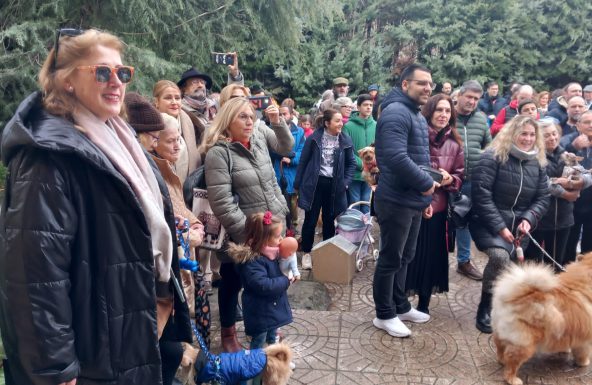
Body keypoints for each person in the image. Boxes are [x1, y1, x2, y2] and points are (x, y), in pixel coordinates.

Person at [0, 28, 192, 384]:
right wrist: (56, 370)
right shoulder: (47, 157)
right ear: (67, 81)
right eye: (102, 72)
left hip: (134, 318)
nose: (116, 82)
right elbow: (33, 276)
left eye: (123, 72)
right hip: (93, 346)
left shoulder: (117, 137)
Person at [202, 97, 293, 352]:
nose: (249, 121)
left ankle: (270, 330)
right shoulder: (219, 153)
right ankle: (229, 334)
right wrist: (250, 237)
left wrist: (281, 211)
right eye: (242, 116)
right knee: (233, 283)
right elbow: (222, 203)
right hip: (243, 237)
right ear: (228, 120)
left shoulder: (259, 141)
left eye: (251, 116)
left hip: (270, 227)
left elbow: (272, 178)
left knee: (269, 280)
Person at [371, 63, 438, 338]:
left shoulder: (414, 114)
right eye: (422, 83)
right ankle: (384, 314)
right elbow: (396, 158)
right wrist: (425, 185)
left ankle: (399, 304)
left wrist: (429, 190)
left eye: (430, 83)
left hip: (412, 201)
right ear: (405, 85)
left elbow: (417, 157)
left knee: (405, 256)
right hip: (396, 200)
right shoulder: (397, 113)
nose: (428, 88)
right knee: (390, 258)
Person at [470, 115, 550, 333]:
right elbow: (481, 195)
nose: (527, 138)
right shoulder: (493, 156)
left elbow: (543, 197)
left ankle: (506, 307)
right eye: (523, 133)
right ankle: (485, 307)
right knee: (499, 257)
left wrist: (528, 219)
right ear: (512, 133)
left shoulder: (538, 161)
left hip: (519, 227)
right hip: (488, 221)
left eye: (532, 134)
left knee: (517, 266)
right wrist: (500, 227)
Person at [405, 94, 464, 315]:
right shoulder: (416, 137)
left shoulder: (455, 144)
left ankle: (424, 304)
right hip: (413, 206)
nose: (443, 115)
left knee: (431, 259)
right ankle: (400, 301)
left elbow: (460, 177)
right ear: (429, 111)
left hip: (439, 210)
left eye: (448, 111)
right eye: (439, 110)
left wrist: (450, 180)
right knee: (408, 257)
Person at [294, 108, 356, 270]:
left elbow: (351, 164)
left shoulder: (345, 139)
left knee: (330, 220)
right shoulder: (314, 138)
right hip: (314, 184)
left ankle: (326, 252)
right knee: (310, 220)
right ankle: (307, 253)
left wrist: (346, 183)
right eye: (337, 121)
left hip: (335, 186)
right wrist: (298, 184)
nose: (340, 123)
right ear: (327, 123)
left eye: (341, 120)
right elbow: (303, 162)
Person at [524, 119, 589, 268]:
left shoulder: (566, 155)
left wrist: (575, 183)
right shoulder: (532, 157)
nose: (552, 138)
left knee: (556, 263)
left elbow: (586, 175)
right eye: (546, 135)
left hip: (563, 219)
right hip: (538, 219)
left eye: (554, 134)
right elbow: (543, 183)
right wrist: (567, 194)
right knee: (533, 263)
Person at [230, 212, 294, 349]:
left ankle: (276, 362)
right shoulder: (253, 261)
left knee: (273, 336)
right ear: (264, 239)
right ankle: (255, 365)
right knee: (259, 340)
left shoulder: (272, 254)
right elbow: (263, 285)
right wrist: (285, 280)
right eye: (277, 236)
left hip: (271, 309)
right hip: (259, 311)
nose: (281, 239)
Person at [454, 80, 491, 281]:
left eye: (476, 99)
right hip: (449, 177)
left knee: (464, 220)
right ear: (460, 95)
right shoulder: (447, 115)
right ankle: (433, 259)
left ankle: (464, 261)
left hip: (471, 179)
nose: (472, 101)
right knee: (439, 219)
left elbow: (489, 146)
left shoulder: (481, 119)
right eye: (469, 97)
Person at [559, 111, 592, 263]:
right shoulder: (568, 140)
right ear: (578, 125)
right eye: (586, 122)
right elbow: (557, 163)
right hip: (572, 201)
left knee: (589, 245)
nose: (591, 125)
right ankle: (566, 274)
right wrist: (572, 148)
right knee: (568, 243)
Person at [154, 80, 202, 178]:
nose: (174, 102)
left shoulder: (193, 123)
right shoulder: (148, 127)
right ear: (156, 102)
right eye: (168, 98)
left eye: (177, 98)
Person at [272, 105, 306, 233]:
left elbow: (301, 151)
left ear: (291, 115)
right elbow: (272, 150)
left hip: (293, 172)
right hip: (278, 171)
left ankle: (292, 227)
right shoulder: (272, 130)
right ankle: (280, 230)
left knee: (292, 203)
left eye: (285, 113)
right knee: (279, 203)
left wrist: (292, 160)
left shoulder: (300, 132)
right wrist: (286, 154)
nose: (282, 116)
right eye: (279, 114)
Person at [343, 94, 376, 212]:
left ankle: (365, 230)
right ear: (358, 107)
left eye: (371, 105)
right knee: (354, 202)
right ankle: (355, 230)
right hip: (355, 172)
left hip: (372, 173)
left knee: (367, 202)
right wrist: (361, 164)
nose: (368, 107)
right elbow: (346, 150)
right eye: (365, 105)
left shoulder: (376, 125)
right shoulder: (348, 126)